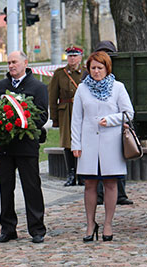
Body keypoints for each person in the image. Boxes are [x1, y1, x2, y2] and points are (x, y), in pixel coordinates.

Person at [71, 51, 134, 242]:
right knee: (89, 184)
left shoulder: (118, 87)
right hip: (89, 143)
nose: (96, 72)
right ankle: (90, 223)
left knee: (110, 183)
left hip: (111, 143)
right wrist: (76, 144)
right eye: (93, 68)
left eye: (100, 68)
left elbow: (128, 113)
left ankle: (108, 223)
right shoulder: (82, 89)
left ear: (107, 69)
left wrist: (112, 120)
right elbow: (76, 118)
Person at [0, 51, 48, 244]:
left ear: (25, 62)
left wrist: (20, 122)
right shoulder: (0, 86)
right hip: (5, 147)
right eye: (8, 62)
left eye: (14, 62)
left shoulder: (38, 87)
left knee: (31, 187)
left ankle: (37, 229)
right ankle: (8, 228)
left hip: (26, 145)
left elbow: (42, 116)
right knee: (6, 188)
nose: (11, 66)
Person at [87, 41, 134, 205]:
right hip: (96, 129)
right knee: (97, 165)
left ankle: (119, 194)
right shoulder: (88, 80)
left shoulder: (118, 81)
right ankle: (100, 195)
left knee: (116, 164)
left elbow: (126, 107)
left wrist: (117, 120)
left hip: (115, 127)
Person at [48, 45, 85, 186]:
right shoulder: (60, 74)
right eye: (70, 56)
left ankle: (82, 174)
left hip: (82, 110)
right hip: (66, 112)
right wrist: (54, 118)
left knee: (83, 140)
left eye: (75, 55)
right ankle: (71, 174)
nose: (72, 58)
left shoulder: (85, 72)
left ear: (80, 57)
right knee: (68, 143)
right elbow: (53, 97)